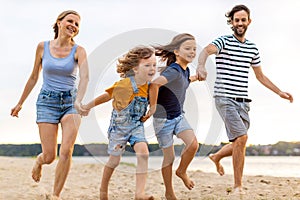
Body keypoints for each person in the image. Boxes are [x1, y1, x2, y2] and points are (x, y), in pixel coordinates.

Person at [196, 4, 293, 195]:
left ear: (249, 21)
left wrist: (279, 92)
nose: (240, 23)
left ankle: (216, 156)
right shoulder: (223, 41)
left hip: (243, 102)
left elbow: (260, 76)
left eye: (243, 19)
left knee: (240, 142)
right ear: (231, 22)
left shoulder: (252, 48)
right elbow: (205, 51)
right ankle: (238, 186)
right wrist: (201, 66)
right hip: (224, 97)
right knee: (242, 137)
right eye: (236, 20)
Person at [10, 10, 89, 199]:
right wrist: (20, 103)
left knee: (67, 149)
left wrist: (79, 100)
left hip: (71, 102)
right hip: (47, 102)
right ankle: (38, 161)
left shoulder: (79, 50)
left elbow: (85, 77)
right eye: (70, 21)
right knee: (49, 156)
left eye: (77, 24)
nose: (74, 26)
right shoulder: (42, 47)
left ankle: (55, 195)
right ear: (59, 22)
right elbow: (33, 77)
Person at [82, 46, 156, 200]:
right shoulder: (124, 85)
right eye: (147, 65)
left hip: (136, 126)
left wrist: (151, 111)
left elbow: (155, 102)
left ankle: (139, 194)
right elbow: (106, 96)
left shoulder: (151, 87)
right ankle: (103, 189)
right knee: (114, 160)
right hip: (119, 128)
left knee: (144, 153)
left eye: (154, 65)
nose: (152, 69)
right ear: (135, 69)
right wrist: (88, 106)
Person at [144, 33, 199, 200]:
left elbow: (184, 82)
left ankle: (181, 171)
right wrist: (152, 108)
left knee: (193, 144)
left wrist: (195, 78)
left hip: (178, 116)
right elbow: (154, 84)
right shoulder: (174, 70)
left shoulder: (184, 70)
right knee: (169, 157)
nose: (192, 52)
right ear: (176, 51)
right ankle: (169, 192)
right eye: (187, 48)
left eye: (194, 49)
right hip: (162, 120)